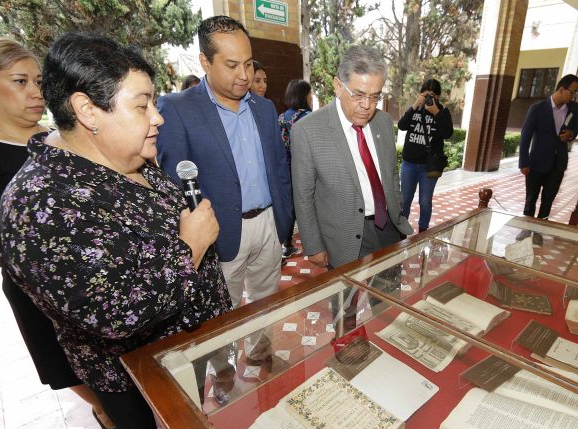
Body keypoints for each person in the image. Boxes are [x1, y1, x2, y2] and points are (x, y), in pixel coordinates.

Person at [0, 33, 231, 429]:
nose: (158, 118)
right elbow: (113, 311)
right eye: (143, 105)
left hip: (192, 356)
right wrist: (190, 247)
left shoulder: (132, 160)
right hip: (142, 384)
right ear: (87, 111)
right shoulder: (39, 201)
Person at [0, 33, 122, 429]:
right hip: (37, 285)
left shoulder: (58, 136)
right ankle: (104, 410)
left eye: (38, 82)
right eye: (20, 82)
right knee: (63, 364)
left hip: (101, 270)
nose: (36, 92)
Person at [157, 16, 294, 307]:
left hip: (269, 225)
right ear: (205, 62)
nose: (244, 75)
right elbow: (173, 188)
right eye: (232, 65)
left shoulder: (265, 108)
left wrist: (283, 221)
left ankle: (260, 354)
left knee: (267, 307)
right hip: (220, 234)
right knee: (221, 318)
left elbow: (280, 170)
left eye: (248, 63)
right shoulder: (177, 108)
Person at [291, 45, 413, 270]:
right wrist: (313, 245)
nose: (367, 106)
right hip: (343, 238)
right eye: (359, 95)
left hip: (389, 228)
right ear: (338, 86)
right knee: (345, 304)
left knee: (388, 299)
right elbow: (303, 196)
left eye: (375, 96)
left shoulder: (384, 122)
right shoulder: (307, 130)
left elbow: (391, 175)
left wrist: (398, 213)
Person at [518, 73, 578, 225]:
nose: (574, 96)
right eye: (572, 92)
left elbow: (575, 129)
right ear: (561, 89)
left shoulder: (573, 108)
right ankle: (526, 231)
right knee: (530, 200)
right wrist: (523, 163)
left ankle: (539, 232)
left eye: (576, 93)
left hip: (558, 163)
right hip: (536, 163)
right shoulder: (537, 109)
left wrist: (570, 134)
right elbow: (525, 136)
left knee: (548, 201)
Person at [397, 78, 453, 232]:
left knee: (425, 201)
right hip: (409, 163)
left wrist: (436, 113)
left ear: (438, 97)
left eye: (433, 96)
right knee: (405, 200)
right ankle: (401, 232)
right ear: (420, 94)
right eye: (426, 95)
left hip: (429, 166)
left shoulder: (442, 112)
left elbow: (447, 133)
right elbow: (401, 126)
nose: (429, 98)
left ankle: (423, 232)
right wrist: (415, 105)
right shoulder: (415, 109)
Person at [278, 79, 313, 259]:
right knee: (306, 204)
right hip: (303, 168)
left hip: (284, 169)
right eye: (310, 93)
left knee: (289, 207)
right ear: (303, 95)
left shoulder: (282, 116)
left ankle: (287, 244)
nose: (312, 97)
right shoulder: (308, 117)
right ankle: (313, 243)